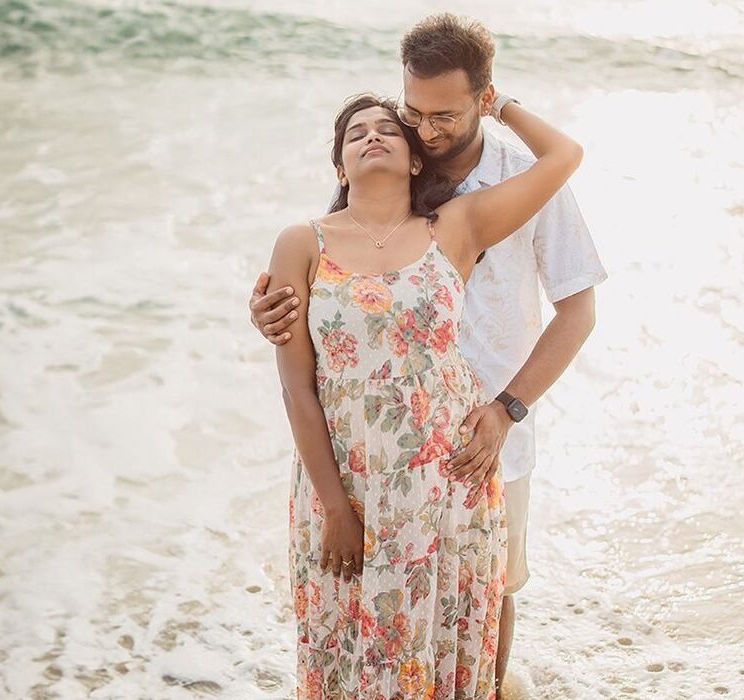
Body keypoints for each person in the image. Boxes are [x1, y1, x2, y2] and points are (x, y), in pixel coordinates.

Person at [253, 15, 606, 697]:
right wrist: (268, 308)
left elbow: (578, 308)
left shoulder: (490, 199)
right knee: (355, 624)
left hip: (483, 439)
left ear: (480, 99)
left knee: (483, 599)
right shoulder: (336, 217)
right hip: (358, 460)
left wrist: (508, 411)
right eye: (411, 112)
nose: (424, 129)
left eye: (442, 114)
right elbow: (313, 341)